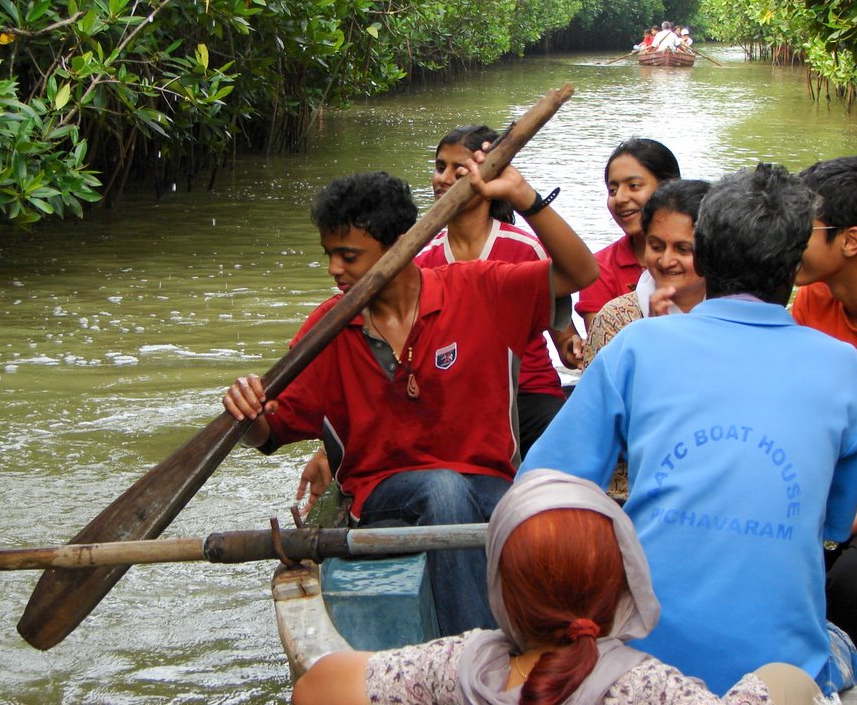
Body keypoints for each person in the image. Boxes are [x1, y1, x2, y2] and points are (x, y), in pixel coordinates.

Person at [521, 163, 857, 696]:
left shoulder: (639, 345)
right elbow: (835, 524)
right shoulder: (842, 364)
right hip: (777, 671)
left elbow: (539, 487)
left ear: (702, 255)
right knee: (842, 645)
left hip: (641, 665)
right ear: (795, 262)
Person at [222, 164, 598, 636]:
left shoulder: (481, 289)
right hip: (383, 494)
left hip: (487, 483)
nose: (334, 269)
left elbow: (581, 272)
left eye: (348, 256)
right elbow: (269, 432)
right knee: (443, 490)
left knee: (542, 514)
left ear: (401, 246)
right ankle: (473, 649)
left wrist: (526, 196)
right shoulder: (328, 328)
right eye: (329, 255)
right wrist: (247, 412)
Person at [292, 469, 825, 705]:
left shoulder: (459, 668)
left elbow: (316, 687)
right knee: (787, 676)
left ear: (502, 593)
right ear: (620, 588)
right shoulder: (651, 689)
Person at [792, 155, 857, 684]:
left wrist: (837, 521)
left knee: (854, 580)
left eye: (803, 228)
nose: (787, 239)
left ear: (852, 241)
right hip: (830, 495)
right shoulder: (811, 302)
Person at [416, 125, 568, 456]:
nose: (443, 179)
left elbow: (562, 333)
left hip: (528, 393)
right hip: (460, 399)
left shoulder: (525, 248)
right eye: (440, 167)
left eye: (459, 171)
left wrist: (572, 346)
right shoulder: (423, 260)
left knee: (562, 441)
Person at [564, 138, 680, 368]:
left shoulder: (710, 253)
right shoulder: (599, 269)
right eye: (613, 190)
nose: (620, 199)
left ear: (669, 187)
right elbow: (606, 351)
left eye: (634, 186)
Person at [582, 179, 709, 369]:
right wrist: (652, 340)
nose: (666, 261)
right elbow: (599, 387)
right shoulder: (615, 319)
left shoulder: (735, 313)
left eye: (683, 249)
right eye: (656, 246)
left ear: (713, 248)